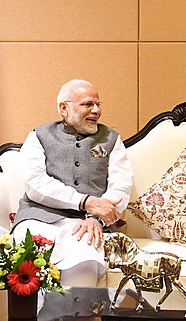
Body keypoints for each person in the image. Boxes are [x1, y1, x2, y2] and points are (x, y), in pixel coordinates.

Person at [11, 79, 134, 287]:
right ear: (64, 108)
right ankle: (32, 318)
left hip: (88, 223)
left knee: (86, 254)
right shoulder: (39, 136)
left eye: (98, 104)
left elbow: (121, 186)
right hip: (39, 217)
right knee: (26, 260)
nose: (96, 110)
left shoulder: (111, 139)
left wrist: (97, 217)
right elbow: (34, 182)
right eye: (88, 104)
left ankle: (79, 317)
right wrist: (84, 201)